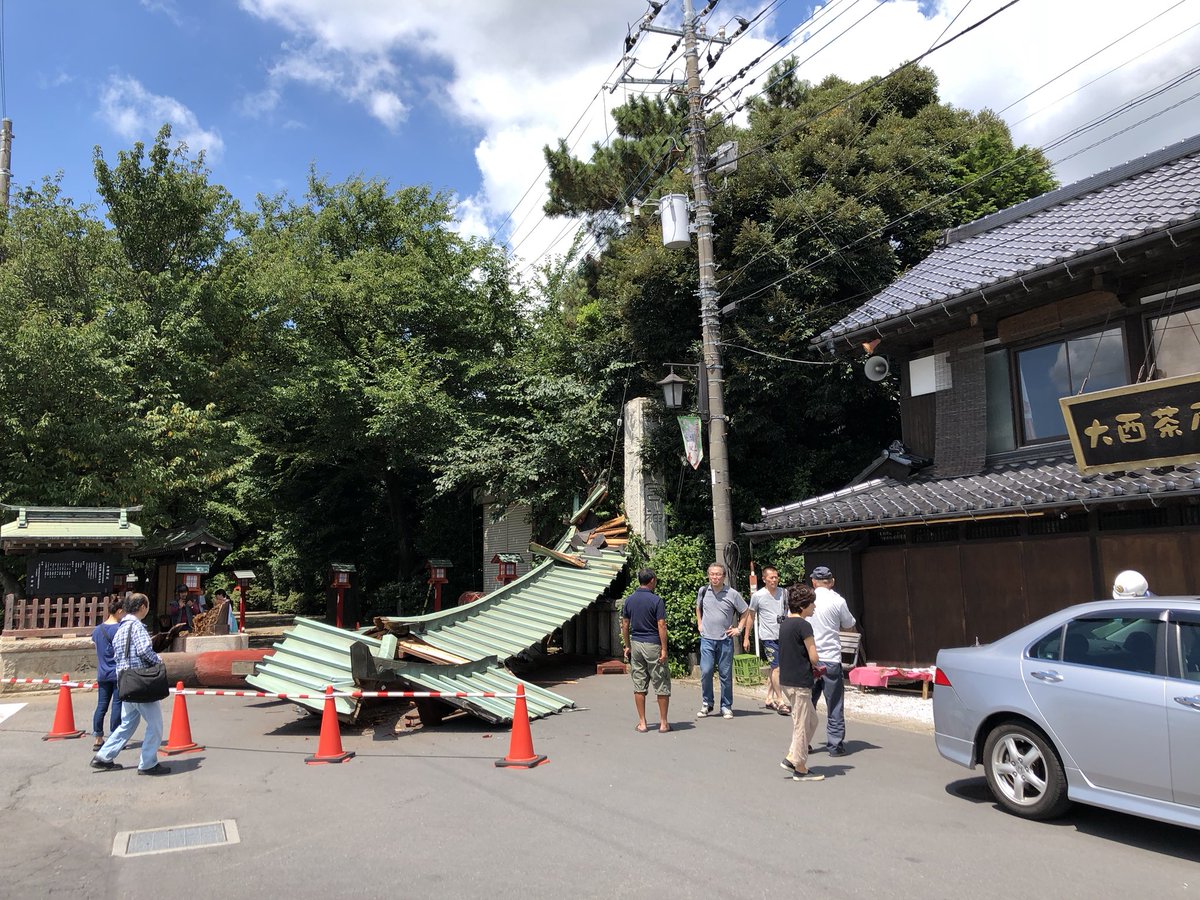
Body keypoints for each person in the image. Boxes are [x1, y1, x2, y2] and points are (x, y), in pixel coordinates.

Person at [90, 593, 171, 776]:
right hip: (142, 683)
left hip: (126, 683)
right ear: (142, 607)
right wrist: (158, 661)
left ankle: (103, 757)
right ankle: (148, 763)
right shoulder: (137, 627)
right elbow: (144, 650)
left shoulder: (121, 628)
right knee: (155, 724)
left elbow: (118, 656)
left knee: (127, 723)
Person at [778, 584, 824, 782]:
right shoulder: (804, 626)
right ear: (804, 605)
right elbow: (813, 656)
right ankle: (799, 765)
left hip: (787, 679)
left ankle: (793, 757)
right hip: (800, 681)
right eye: (812, 603)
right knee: (802, 724)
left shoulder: (786, 623)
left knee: (811, 721)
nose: (814, 606)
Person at [809, 565, 856, 756]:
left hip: (810, 658)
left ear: (813, 581)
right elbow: (849, 625)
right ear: (832, 581)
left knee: (807, 704)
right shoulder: (838, 600)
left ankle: (803, 742)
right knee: (834, 703)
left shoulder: (807, 599)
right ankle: (835, 745)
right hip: (831, 659)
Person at [696, 562, 750, 719]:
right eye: (712, 574)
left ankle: (726, 705)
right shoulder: (703, 591)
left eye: (718, 574)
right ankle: (707, 703)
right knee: (706, 671)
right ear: (708, 575)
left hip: (725, 639)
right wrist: (700, 623)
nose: (715, 577)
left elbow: (745, 611)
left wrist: (738, 629)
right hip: (706, 638)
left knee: (725, 674)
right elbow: (698, 607)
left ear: (724, 576)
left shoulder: (732, 593)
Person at [621, 568, 671, 733]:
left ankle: (642, 723)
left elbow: (625, 624)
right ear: (652, 581)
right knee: (661, 682)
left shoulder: (629, 600)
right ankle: (663, 723)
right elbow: (661, 625)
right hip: (653, 644)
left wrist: (627, 645)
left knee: (639, 684)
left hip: (636, 644)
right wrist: (664, 649)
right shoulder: (656, 600)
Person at [745, 565, 788, 715]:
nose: (774, 580)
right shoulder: (758, 596)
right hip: (768, 637)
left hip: (783, 635)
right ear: (764, 579)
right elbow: (751, 616)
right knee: (777, 668)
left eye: (776, 577)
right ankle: (780, 700)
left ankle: (769, 698)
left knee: (775, 668)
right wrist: (746, 637)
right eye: (771, 577)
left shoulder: (784, 593)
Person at [89, 595, 124, 751]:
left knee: (101, 705)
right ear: (119, 611)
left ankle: (98, 737)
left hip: (102, 673)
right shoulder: (119, 629)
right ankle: (115, 737)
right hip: (117, 672)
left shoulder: (97, 630)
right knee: (117, 705)